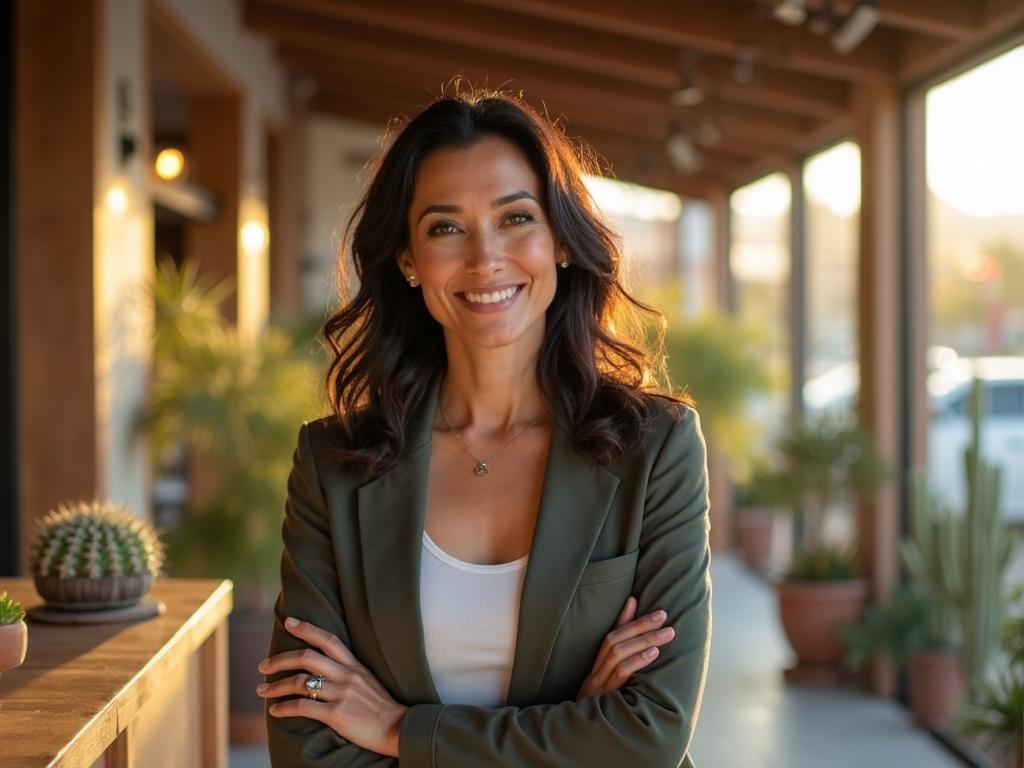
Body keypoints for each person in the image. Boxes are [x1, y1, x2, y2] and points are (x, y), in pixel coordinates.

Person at [255, 86, 712, 767]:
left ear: (559, 239)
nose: (485, 257)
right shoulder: (334, 463)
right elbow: (308, 742)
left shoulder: (656, 447)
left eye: (515, 218)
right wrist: (575, 725)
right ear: (408, 261)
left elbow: (649, 736)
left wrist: (395, 730)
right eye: (445, 227)